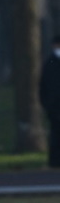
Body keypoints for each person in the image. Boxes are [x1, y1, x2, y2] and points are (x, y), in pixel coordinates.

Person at [40, 35, 60, 168]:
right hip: (55, 106)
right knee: (56, 135)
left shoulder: (49, 63)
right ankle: (55, 162)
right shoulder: (50, 63)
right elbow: (43, 87)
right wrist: (48, 105)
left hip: (53, 105)